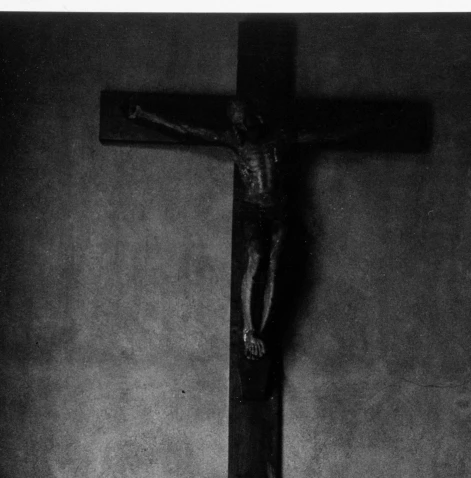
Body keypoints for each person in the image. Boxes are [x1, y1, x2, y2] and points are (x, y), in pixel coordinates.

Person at [128, 98, 341, 359]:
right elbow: (186, 128)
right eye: (238, 121)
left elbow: (325, 133)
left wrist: (376, 124)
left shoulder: (279, 139)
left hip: (279, 210)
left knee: (275, 264)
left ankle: (261, 331)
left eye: (246, 119)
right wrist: (143, 114)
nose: (242, 126)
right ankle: (249, 331)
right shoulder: (235, 141)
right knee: (257, 258)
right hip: (254, 209)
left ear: (256, 117)